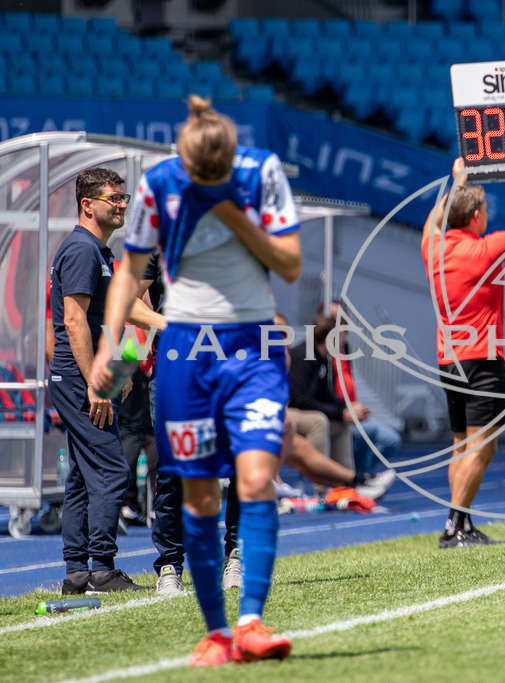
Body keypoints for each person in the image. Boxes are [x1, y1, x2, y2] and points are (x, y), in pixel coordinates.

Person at [93, 96, 300, 666]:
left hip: (253, 347)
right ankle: (214, 627)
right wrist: (114, 348)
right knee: (197, 490)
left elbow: (290, 263)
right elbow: (129, 277)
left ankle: (252, 618)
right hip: (187, 354)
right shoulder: (160, 182)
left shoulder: (261, 173)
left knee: (255, 480)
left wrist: (232, 214)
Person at [49, 167, 161, 595]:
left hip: (88, 376)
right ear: (87, 204)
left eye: (123, 197)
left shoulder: (97, 250)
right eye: (113, 198)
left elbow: (123, 310)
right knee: (114, 470)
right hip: (80, 380)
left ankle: (78, 573)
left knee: (81, 474)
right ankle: (102, 569)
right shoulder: (81, 250)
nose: (122, 204)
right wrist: (96, 384)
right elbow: (75, 321)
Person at [422, 159, 505, 548]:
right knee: (483, 446)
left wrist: (457, 181)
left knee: (461, 445)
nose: (488, 216)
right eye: (484, 211)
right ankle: (454, 526)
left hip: (448, 358)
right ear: (473, 216)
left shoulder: (433, 248)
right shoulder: (483, 250)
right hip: (483, 359)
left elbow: (432, 222)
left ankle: (461, 524)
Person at [327, 300, 404, 480]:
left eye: (341, 318)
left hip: (352, 409)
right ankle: (358, 479)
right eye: (333, 317)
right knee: (367, 433)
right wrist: (344, 409)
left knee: (392, 440)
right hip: (337, 412)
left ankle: (361, 475)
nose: (338, 322)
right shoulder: (317, 349)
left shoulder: (345, 347)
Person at [288, 315, 355, 475]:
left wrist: (346, 410)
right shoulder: (303, 355)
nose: (345, 341)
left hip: (303, 411)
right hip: (290, 411)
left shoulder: (322, 358)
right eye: (343, 335)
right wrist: (339, 412)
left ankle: (345, 483)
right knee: (319, 421)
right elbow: (301, 400)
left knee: (341, 426)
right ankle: (319, 483)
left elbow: (326, 393)